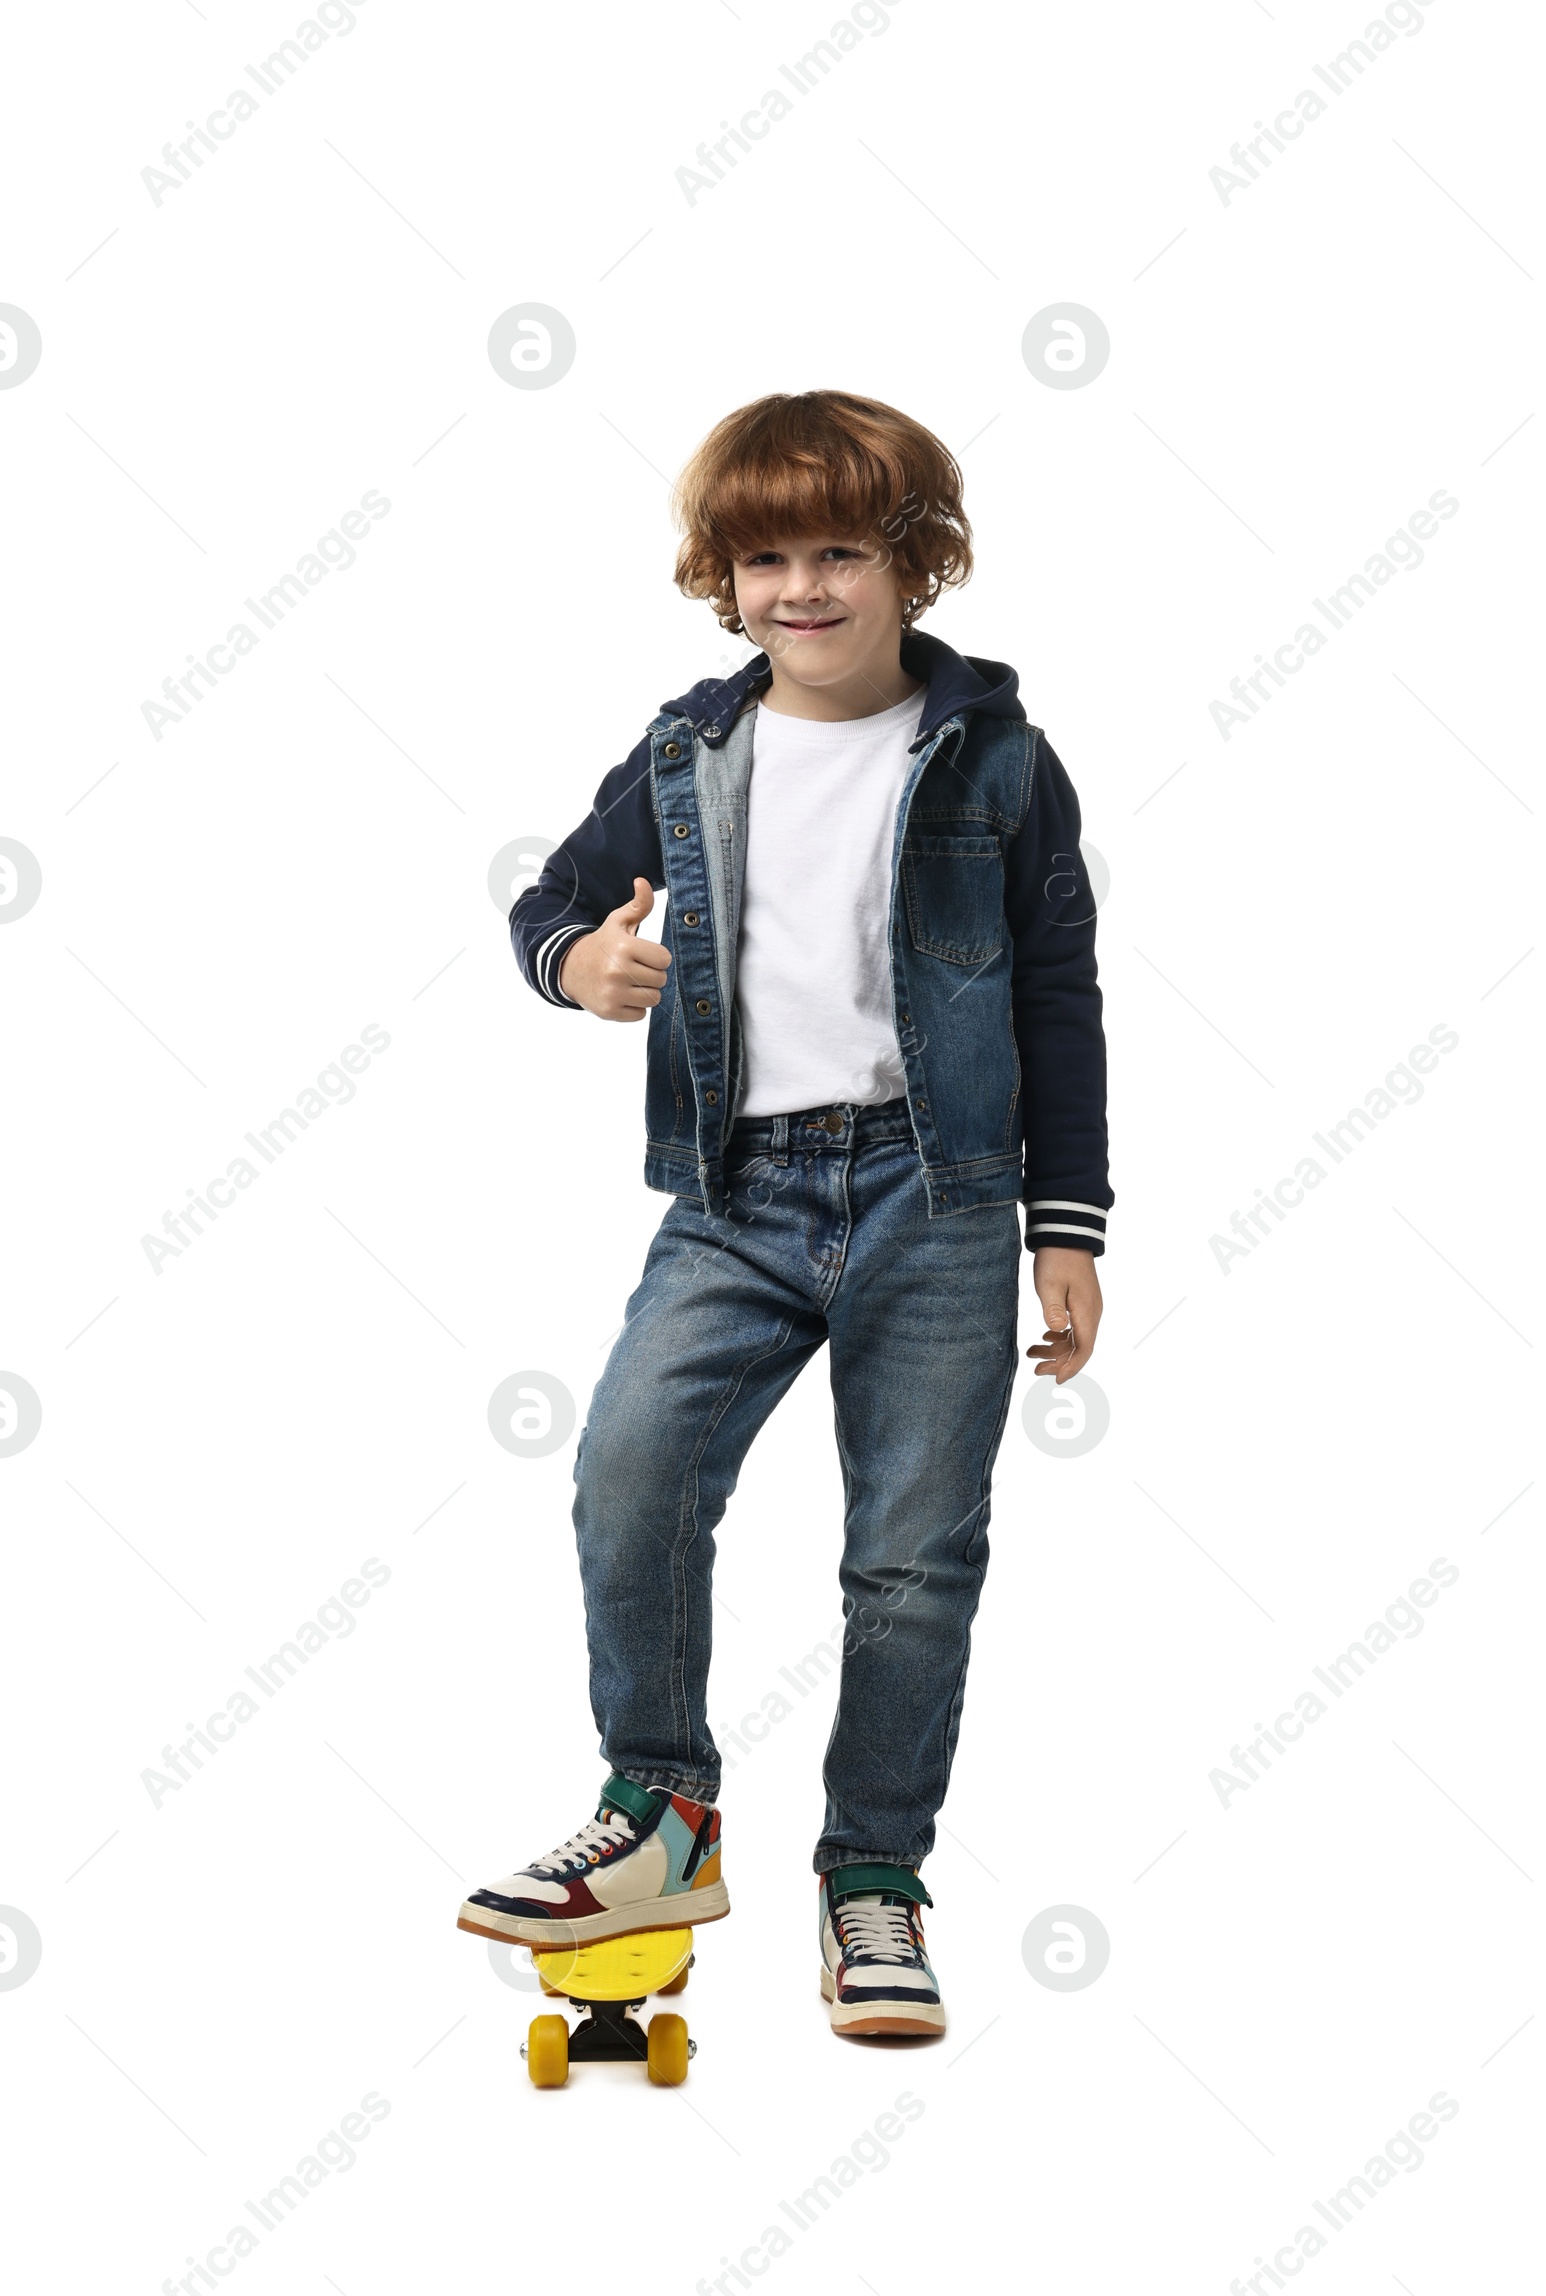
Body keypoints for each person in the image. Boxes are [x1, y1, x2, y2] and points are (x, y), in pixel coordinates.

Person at [458, 390, 1112, 2039]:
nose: (803, 588)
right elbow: (552, 897)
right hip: (734, 1198)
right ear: (721, 577)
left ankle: (873, 1882)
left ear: (918, 565)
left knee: (910, 1558)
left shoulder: (1000, 759)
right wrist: (578, 965)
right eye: (766, 558)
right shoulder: (693, 746)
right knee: (630, 1472)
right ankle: (662, 1812)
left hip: (940, 1195)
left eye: (843, 551)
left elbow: (1057, 995)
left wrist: (1069, 1227)